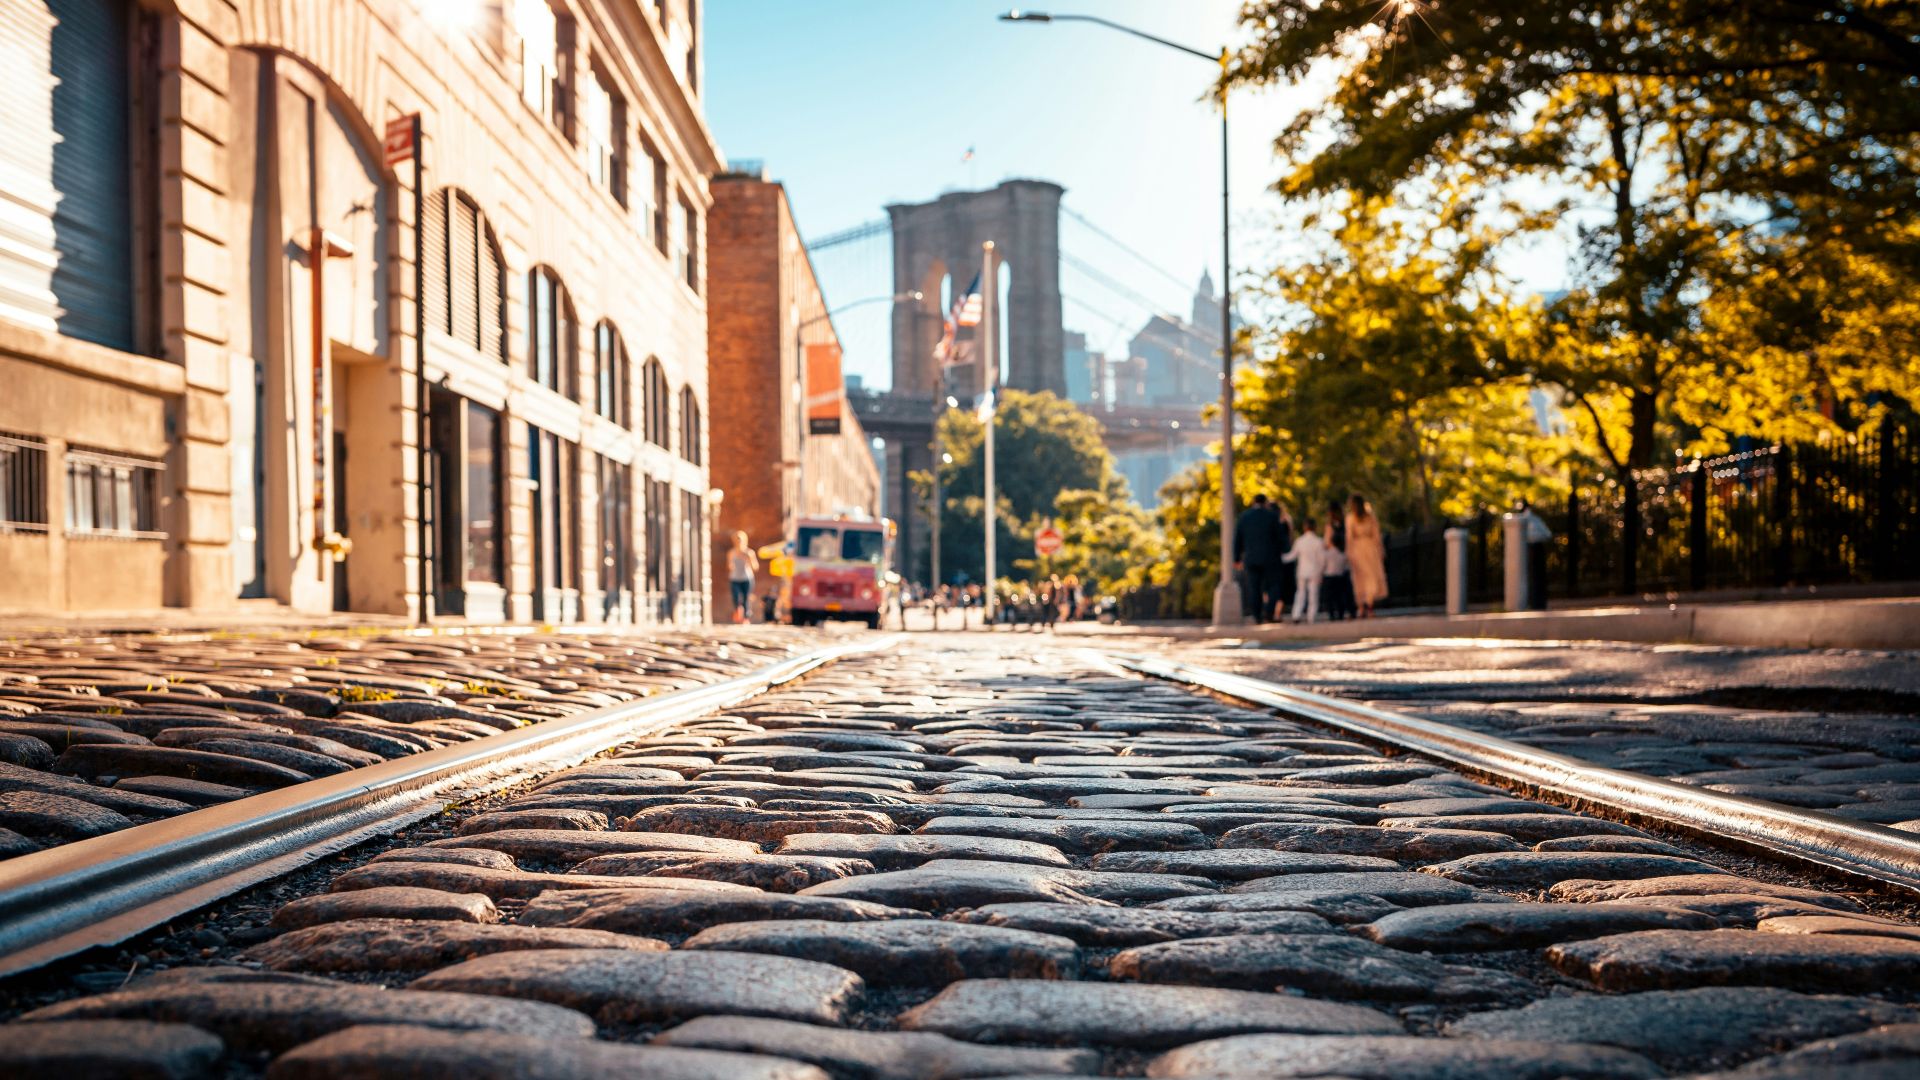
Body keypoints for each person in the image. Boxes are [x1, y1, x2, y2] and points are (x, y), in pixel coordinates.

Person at [1233, 493, 1285, 624]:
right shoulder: (1272, 516)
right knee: (1274, 585)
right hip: (1270, 558)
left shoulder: (1244, 517)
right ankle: (1269, 612)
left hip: (1251, 558)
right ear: (1265, 502)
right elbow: (1280, 538)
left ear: (1253, 502)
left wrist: (1236, 558)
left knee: (1254, 588)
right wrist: (1283, 551)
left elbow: (1237, 540)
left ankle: (1257, 616)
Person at [1345, 494, 1388, 618]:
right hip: (1367, 549)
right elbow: (1376, 536)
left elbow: (1350, 538)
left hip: (1361, 549)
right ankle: (1367, 606)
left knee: (1362, 578)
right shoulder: (1357, 518)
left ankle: (1364, 606)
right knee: (1367, 578)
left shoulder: (1361, 517)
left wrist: (1349, 552)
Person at [1282, 516, 1329, 623]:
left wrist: (1280, 557)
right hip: (1314, 571)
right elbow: (1322, 559)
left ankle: (1296, 615)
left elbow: (1291, 556)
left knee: (1300, 594)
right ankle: (1311, 616)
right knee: (1313, 594)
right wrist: (1321, 572)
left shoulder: (1300, 541)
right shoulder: (1318, 542)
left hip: (1302, 571)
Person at [1514, 497, 1554, 610]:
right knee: (1537, 577)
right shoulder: (1535, 519)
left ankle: (1535, 603)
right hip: (1536, 549)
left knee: (1533, 577)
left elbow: (1547, 534)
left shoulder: (1524, 520)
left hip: (1531, 549)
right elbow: (1547, 534)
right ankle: (1538, 603)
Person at [1321, 498, 1354, 621]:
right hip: (1345, 557)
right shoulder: (1347, 523)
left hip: (1334, 560)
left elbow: (1327, 542)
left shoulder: (1331, 526)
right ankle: (1347, 610)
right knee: (1345, 588)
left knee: (1332, 590)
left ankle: (1334, 613)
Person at [726, 531, 758, 624]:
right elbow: (729, 566)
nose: (738, 541)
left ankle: (745, 618)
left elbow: (755, 567)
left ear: (744, 540)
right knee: (736, 598)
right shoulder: (731, 552)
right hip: (734, 578)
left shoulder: (749, 552)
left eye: (740, 539)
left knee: (746, 598)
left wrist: (749, 559)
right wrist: (731, 565)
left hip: (747, 578)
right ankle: (738, 612)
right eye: (736, 539)